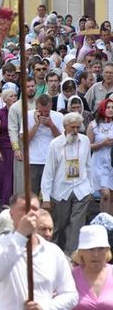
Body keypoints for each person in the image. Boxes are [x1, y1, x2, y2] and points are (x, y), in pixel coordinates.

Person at [0, 193, 78, 310]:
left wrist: (45, 308)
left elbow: (71, 295)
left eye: (35, 209)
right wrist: (21, 236)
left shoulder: (53, 252)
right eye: (23, 209)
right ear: (11, 214)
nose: (30, 214)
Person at [41, 112, 92, 254]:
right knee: (59, 226)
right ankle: (55, 255)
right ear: (65, 127)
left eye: (77, 127)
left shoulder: (85, 141)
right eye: (72, 127)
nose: (75, 131)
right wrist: (45, 198)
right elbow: (48, 172)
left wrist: (91, 188)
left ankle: (71, 258)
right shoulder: (55, 144)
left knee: (77, 226)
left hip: (81, 189)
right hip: (61, 190)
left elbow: (89, 165)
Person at [65, 224, 113, 310]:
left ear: (107, 251)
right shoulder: (71, 277)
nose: (96, 254)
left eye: (101, 248)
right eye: (91, 249)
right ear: (81, 252)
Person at [22, 93, 64, 196]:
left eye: (47, 111)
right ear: (37, 107)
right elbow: (24, 139)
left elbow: (62, 140)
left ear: (51, 106)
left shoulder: (58, 116)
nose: (44, 114)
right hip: (33, 161)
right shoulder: (27, 116)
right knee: (32, 194)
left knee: (52, 194)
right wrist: (36, 124)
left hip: (52, 160)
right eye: (41, 111)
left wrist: (51, 126)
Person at [0, 89, 17, 208]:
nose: (14, 98)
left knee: (13, 177)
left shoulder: (20, 112)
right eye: (11, 96)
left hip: (16, 148)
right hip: (3, 149)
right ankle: (3, 202)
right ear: (5, 99)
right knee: (3, 177)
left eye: (16, 95)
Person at [87, 98, 113, 215]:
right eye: (108, 107)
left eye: (112, 107)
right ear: (102, 108)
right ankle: (104, 221)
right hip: (98, 162)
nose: (111, 110)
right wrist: (102, 144)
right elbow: (87, 146)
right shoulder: (93, 125)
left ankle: (110, 223)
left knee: (111, 196)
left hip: (111, 162)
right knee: (105, 194)